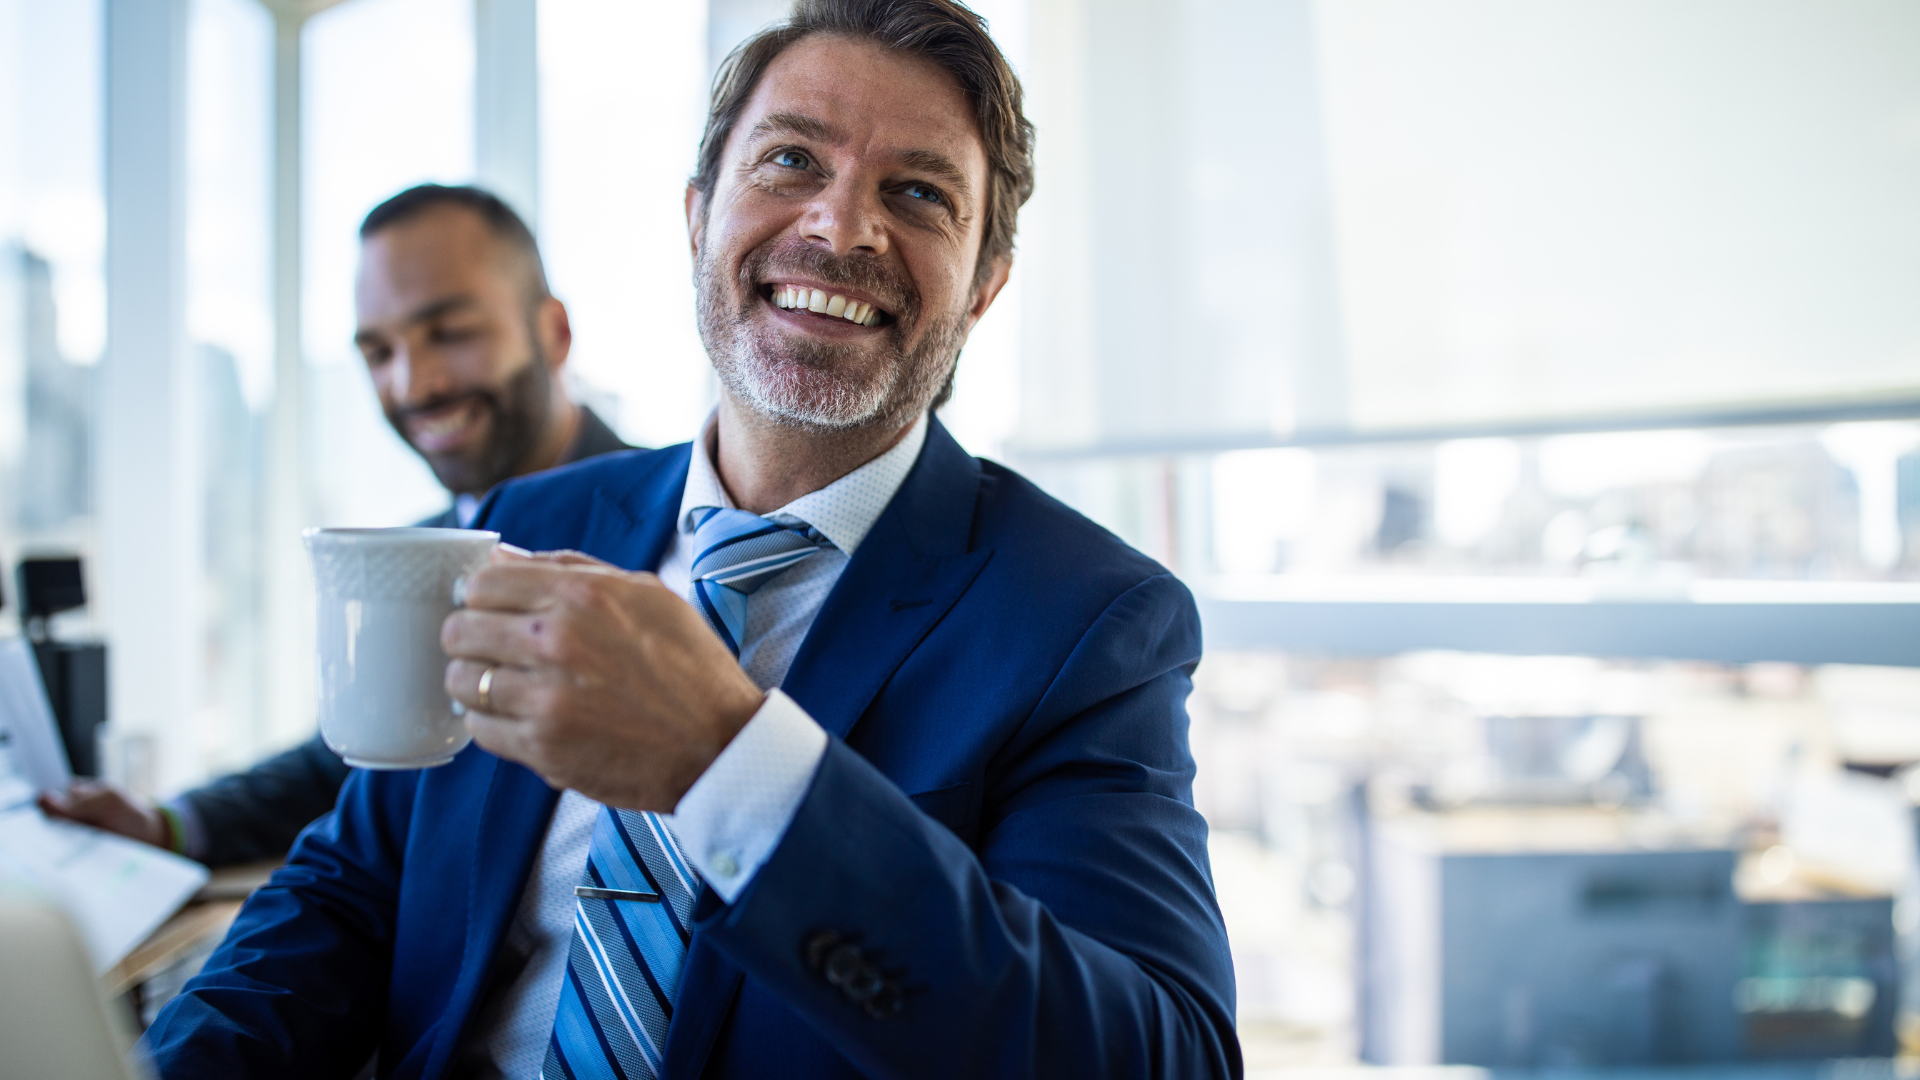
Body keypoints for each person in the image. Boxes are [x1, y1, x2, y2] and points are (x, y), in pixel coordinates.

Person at [146, 1, 1240, 1077]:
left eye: (917, 192)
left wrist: (730, 761)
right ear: (697, 217)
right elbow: (352, 886)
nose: (839, 226)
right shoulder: (525, 526)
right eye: (790, 162)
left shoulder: (1086, 623)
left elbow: (1163, 1056)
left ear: (984, 288)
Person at [39, 185, 633, 868]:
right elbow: (350, 764)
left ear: (553, 333)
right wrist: (168, 825)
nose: (414, 385)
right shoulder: (430, 546)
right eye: (379, 353)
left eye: (451, 333)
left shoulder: (692, 518)